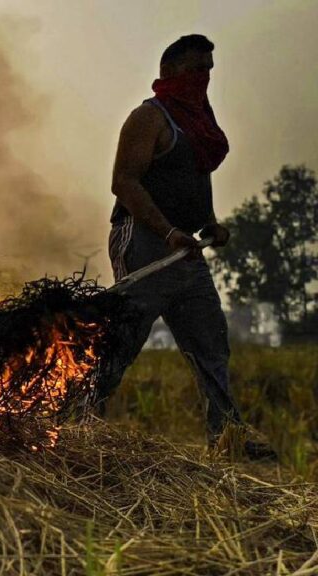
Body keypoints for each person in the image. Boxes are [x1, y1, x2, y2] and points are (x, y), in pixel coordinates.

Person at [101, 34, 274, 459]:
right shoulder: (149, 118)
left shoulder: (199, 124)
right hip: (143, 242)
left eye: (210, 68)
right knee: (122, 341)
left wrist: (209, 222)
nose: (205, 77)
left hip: (186, 250)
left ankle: (227, 438)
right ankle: (74, 424)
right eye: (197, 68)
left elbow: (197, 177)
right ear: (170, 72)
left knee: (210, 341)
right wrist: (166, 232)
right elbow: (124, 182)